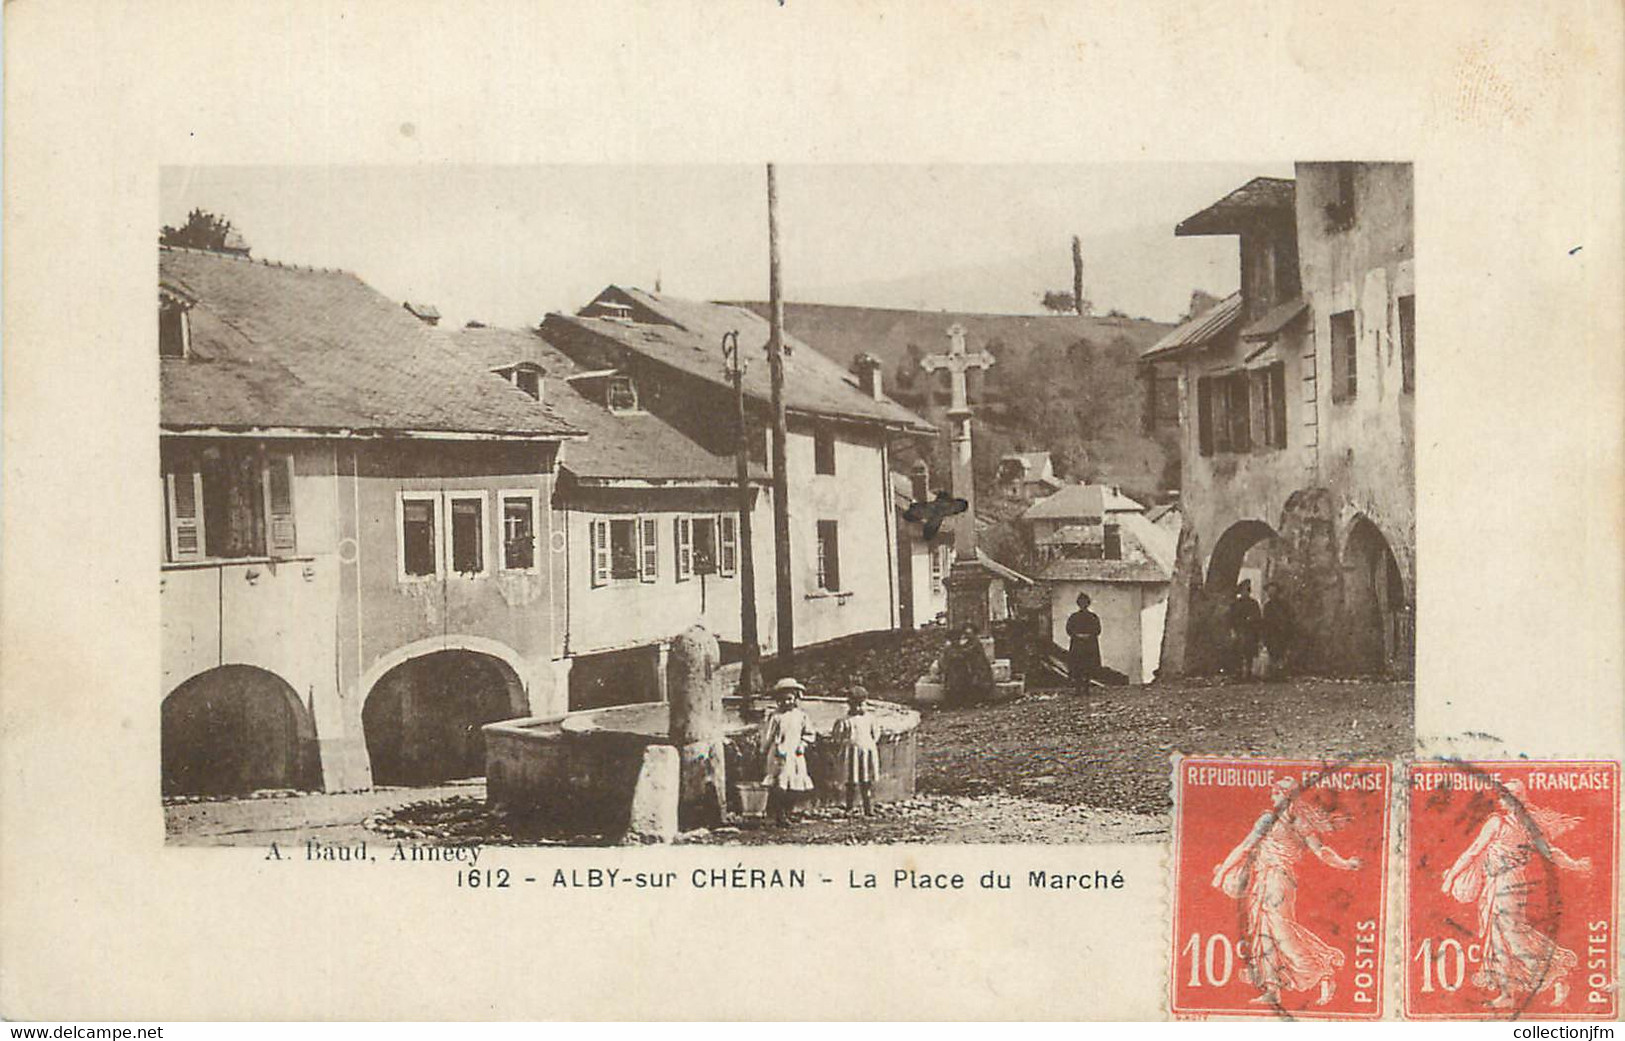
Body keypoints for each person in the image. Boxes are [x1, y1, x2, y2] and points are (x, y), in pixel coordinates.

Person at [1212, 777, 1363, 1007]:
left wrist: (1345, 863)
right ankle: (1272, 989)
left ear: (1287, 796)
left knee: (1282, 933)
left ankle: (1322, 972)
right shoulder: (1276, 819)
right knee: (1264, 931)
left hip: (1278, 880)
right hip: (1265, 879)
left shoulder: (1290, 821)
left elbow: (1320, 851)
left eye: (1276, 792)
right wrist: (1223, 871)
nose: (1272, 795)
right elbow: (1246, 846)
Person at [1440, 780, 1590, 1009]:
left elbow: (1473, 852)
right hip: (1499, 883)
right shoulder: (1521, 824)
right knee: (1498, 936)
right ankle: (1506, 993)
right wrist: (1575, 864)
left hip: (1506, 884)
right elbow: (1550, 851)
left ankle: (1556, 976)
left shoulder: (1499, 822)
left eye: (1504, 794)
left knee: (1511, 936)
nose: (1500, 798)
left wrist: (1451, 877)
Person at [758, 678, 815, 824]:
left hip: (795, 753)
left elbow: (809, 733)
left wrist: (803, 744)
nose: (787, 703)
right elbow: (768, 735)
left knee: (794, 784)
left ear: (796, 698)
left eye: (790, 699)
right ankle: (779, 814)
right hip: (779, 754)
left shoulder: (801, 716)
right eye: (783, 700)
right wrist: (764, 750)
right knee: (780, 784)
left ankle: (789, 811)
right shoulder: (776, 717)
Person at [831, 685, 881, 815]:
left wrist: (869, 744)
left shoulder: (870, 719)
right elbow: (837, 736)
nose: (858, 708)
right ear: (849, 705)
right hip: (851, 753)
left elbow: (876, 734)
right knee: (851, 780)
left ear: (866, 703)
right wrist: (846, 744)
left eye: (861, 704)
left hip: (866, 751)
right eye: (855, 705)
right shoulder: (844, 721)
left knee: (866, 781)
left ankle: (868, 807)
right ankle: (850, 807)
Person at [941, 624, 995, 706]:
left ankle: (976, 700)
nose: (967, 635)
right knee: (955, 682)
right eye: (966, 633)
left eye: (970, 632)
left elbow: (968, 653)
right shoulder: (951, 648)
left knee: (978, 682)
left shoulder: (974, 643)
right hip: (957, 671)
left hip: (978, 668)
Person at [1065, 592, 1103, 693]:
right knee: (1077, 666)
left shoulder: (1093, 617)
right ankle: (1078, 688)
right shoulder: (1073, 617)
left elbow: (1098, 630)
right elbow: (1069, 629)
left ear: (1088, 604)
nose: (1083, 604)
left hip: (1089, 646)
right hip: (1078, 645)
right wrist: (1077, 635)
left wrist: (1088, 636)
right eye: (1081, 602)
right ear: (1078, 604)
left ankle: (1086, 687)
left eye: (1085, 602)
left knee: (1088, 666)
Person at [1228, 580, 1263, 679]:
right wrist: (1233, 631)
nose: (1245, 593)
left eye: (1247, 591)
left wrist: (1253, 621)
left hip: (1250, 631)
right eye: (1243, 591)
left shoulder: (1253, 603)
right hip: (1239, 630)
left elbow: (1258, 617)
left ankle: (1248, 672)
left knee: (1249, 652)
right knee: (1237, 651)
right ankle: (1238, 672)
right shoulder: (1235, 604)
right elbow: (1231, 619)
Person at [1261, 582, 1296, 680]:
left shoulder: (1284, 604)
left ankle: (1281, 674)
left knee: (1281, 652)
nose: (1271, 594)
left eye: (1273, 591)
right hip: (1271, 633)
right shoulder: (1267, 606)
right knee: (1272, 652)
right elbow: (1265, 620)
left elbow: (1290, 617)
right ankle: (1273, 674)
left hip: (1282, 632)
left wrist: (1286, 628)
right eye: (1269, 592)